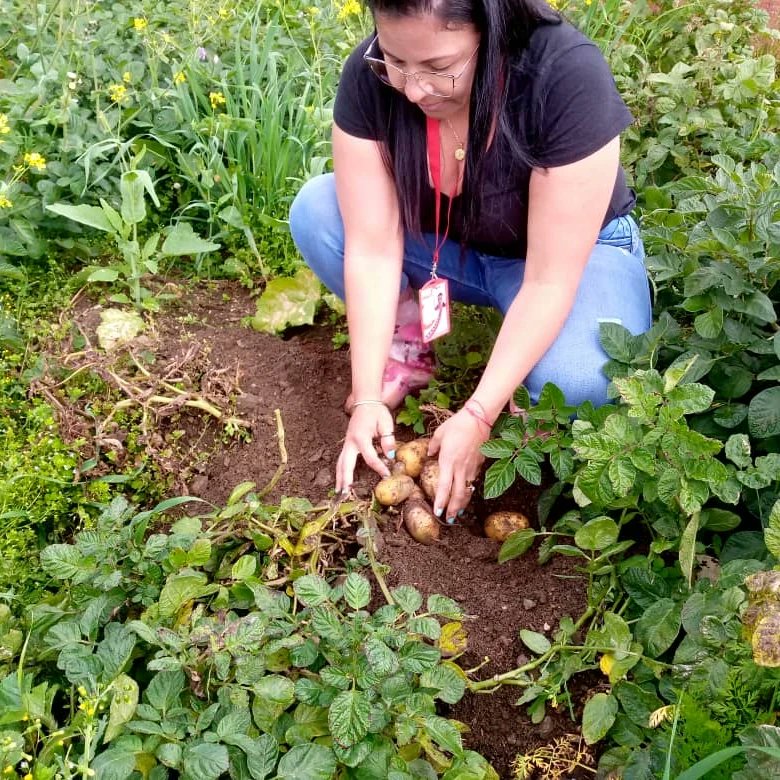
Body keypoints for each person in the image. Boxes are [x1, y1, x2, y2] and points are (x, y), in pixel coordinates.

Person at [289, 0, 652, 526]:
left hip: (565, 260)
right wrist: (367, 397)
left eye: (439, 68)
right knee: (320, 214)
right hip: (450, 249)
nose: (413, 88)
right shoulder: (371, 74)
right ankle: (408, 338)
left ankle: (523, 404)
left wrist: (479, 414)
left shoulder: (563, 76)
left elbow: (550, 280)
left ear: (492, 30)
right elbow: (371, 246)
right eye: (395, 61)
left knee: (582, 379)